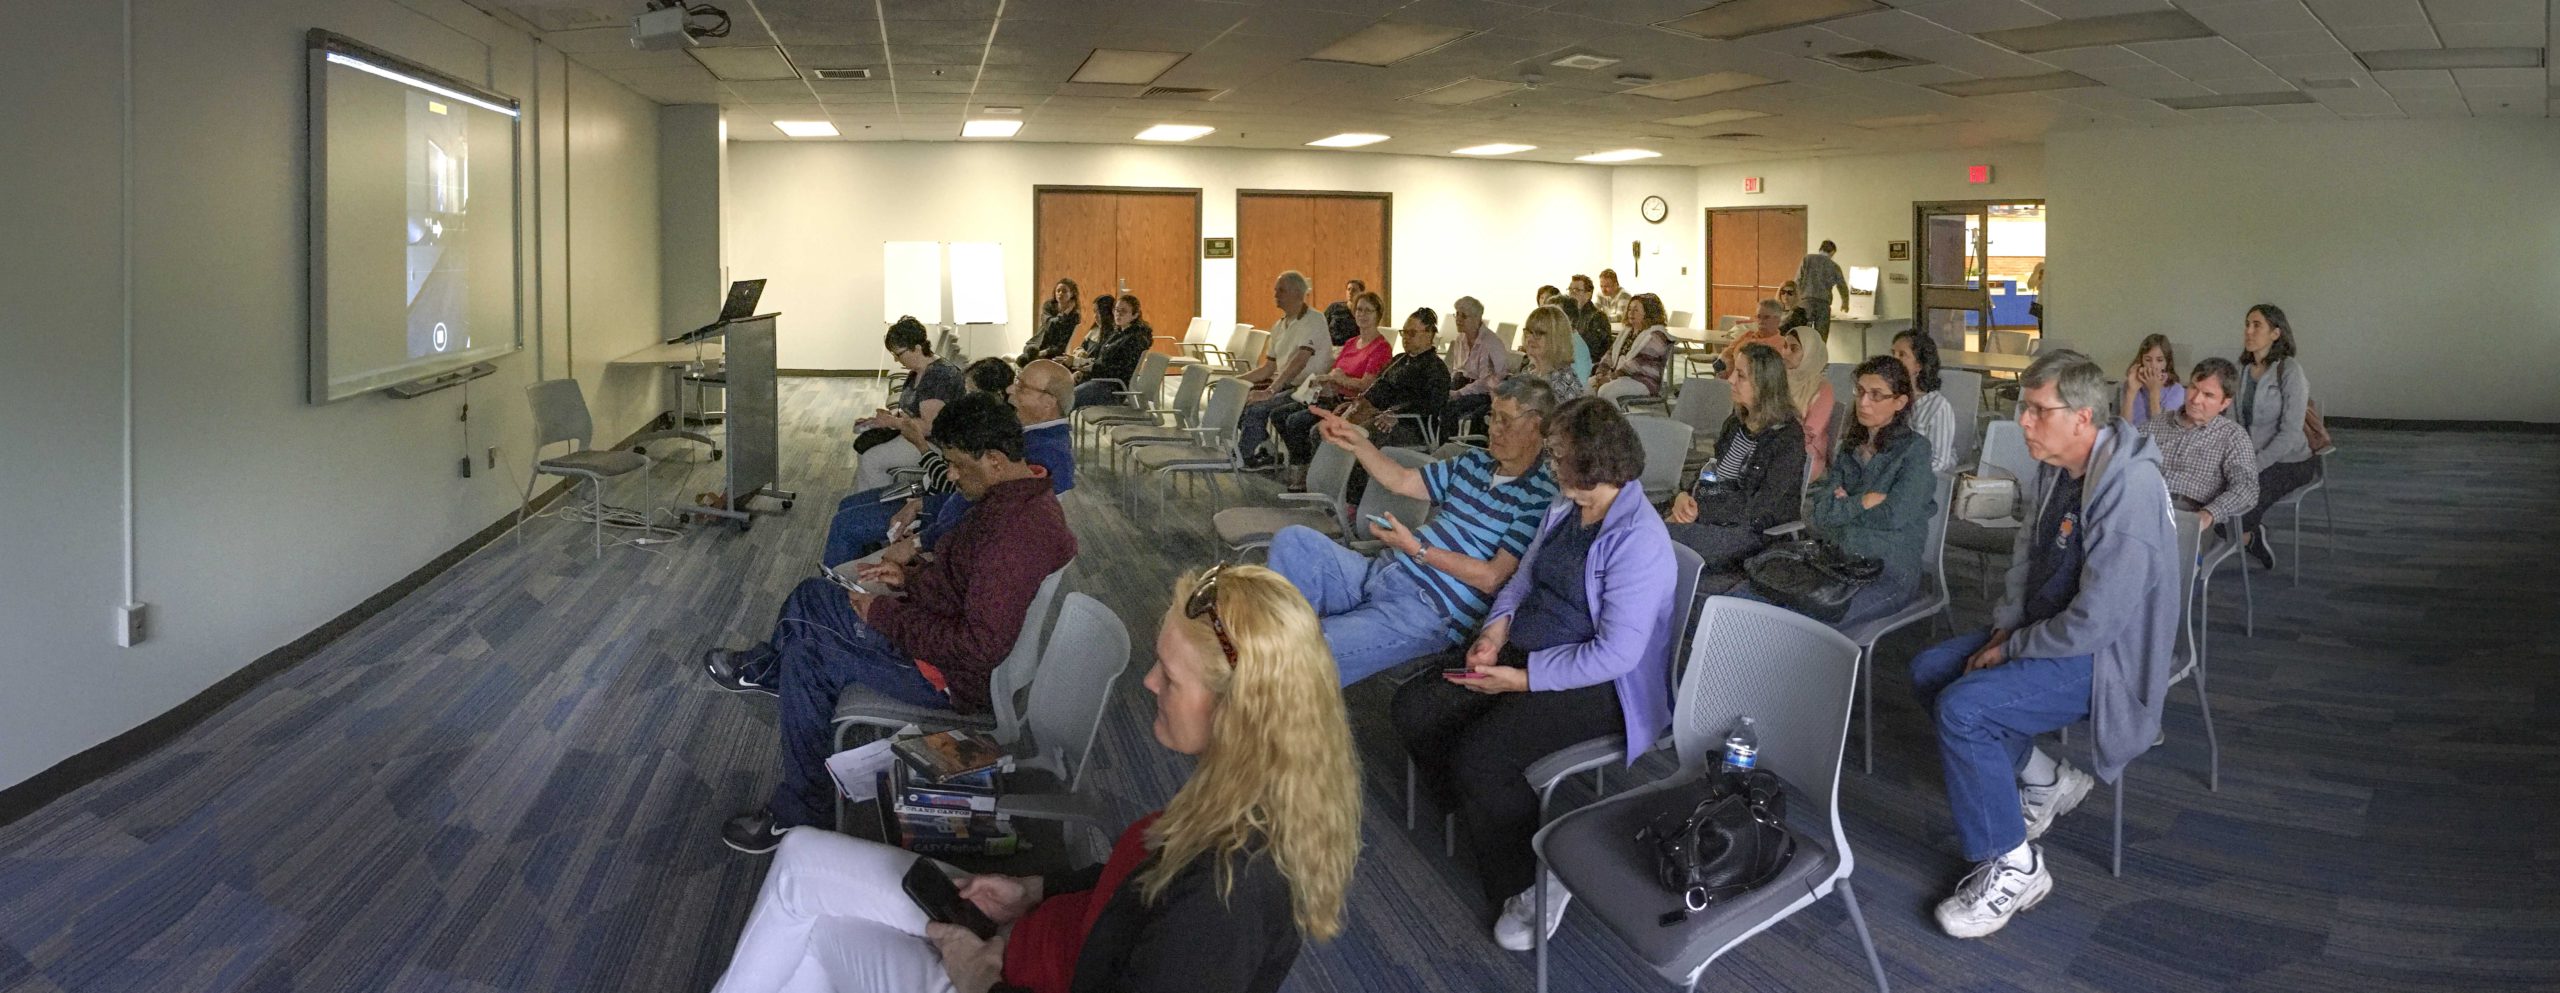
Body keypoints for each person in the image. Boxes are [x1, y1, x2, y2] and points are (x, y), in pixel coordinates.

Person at [707, 565, 1360, 993]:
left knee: (811, 925)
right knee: (801, 877)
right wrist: (1033, 888)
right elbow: (1133, 888)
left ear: (1237, 711)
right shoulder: (1241, 797)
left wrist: (979, 975)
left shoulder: (1227, 896)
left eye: (1171, 675)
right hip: (1034, 935)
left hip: (1008, 974)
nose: (1150, 683)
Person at [703, 394, 1078, 853]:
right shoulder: (1019, 496)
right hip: (934, 634)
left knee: (807, 623)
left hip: (948, 677)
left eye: (959, 466)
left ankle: (792, 759)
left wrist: (884, 612)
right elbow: (966, 587)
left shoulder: (1013, 535)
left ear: (996, 461)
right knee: (809, 629)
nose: (953, 477)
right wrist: (912, 577)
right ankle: (791, 755)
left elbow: (979, 647)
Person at [1909, 349, 2179, 940]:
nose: (2022, 423)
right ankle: (2046, 778)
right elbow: (2026, 558)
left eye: (2036, 411)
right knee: (1931, 669)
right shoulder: (2057, 465)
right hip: (2048, 632)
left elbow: (2098, 624)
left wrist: (2010, 649)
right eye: (2023, 409)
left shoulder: (2129, 486)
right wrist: (2007, 624)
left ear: (2082, 417)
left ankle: (2015, 865)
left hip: (2105, 660)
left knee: (1963, 708)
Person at [1391, 397, 1677, 951]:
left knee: (1483, 758)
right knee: (1416, 707)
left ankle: (1534, 884)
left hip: (1598, 685)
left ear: (1591, 463)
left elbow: (1616, 655)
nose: (1549, 461)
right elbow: (1523, 579)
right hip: (1526, 648)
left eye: (1559, 453)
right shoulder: (1567, 507)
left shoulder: (1638, 539)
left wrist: (1521, 679)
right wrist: (1494, 631)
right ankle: (1481, 812)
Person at [1264, 377, 1560, 685]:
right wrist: (1357, 441)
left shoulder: (1540, 496)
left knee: (1308, 650)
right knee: (1294, 542)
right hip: (1382, 571)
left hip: (1427, 610)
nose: (1493, 427)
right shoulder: (1474, 462)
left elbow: (1492, 577)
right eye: (1492, 416)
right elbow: (1402, 481)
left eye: (1505, 420)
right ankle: (1280, 659)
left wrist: (1418, 550)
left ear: (1535, 425)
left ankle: (1282, 675)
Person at [824, 359, 1076, 567]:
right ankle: (855, 574)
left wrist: (918, 539)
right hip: (936, 507)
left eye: (1022, 386)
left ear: (1048, 401)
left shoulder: (1048, 456)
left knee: (844, 525)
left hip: (940, 524)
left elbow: (978, 511)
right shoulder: (1035, 437)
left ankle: (842, 595)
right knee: (848, 506)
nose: (1012, 390)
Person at [1783, 356, 1938, 626]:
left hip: (1889, 572)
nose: (1863, 403)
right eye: (1861, 392)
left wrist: (1845, 505)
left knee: (1808, 626)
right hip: (1838, 563)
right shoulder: (1850, 446)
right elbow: (1819, 514)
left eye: (1876, 395)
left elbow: (1894, 515)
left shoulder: (1915, 450)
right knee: (1778, 608)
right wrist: (1863, 501)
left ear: (1900, 402)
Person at [1664, 342, 1806, 585]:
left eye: (1740, 375)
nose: (1730, 380)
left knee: (1657, 538)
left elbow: (1760, 507)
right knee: (1643, 521)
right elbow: (1714, 474)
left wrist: (1702, 509)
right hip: (1717, 516)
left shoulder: (1787, 438)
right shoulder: (1736, 423)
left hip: (1755, 534)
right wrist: (1688, 496)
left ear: (1765, 385)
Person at [1257, 292, 1390, 471]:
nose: (1362, 314)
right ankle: (1304, 461)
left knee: (1297, 421)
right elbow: (1335, 372)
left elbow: (1366, 385)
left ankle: (1307, 467)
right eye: (1359, 309)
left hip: (1350, 404)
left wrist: (1340, 380)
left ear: (1378, 315)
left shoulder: (1381, 347)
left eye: (1368, 311)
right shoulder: (1351, 342)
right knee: (1279, 414)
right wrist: (1323, 379)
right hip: (1329, 397)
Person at [2141, 357, 2258, 539]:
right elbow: (2124, 459)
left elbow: (2247, 488)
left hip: (2190, 514)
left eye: (2208, 395)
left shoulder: (2232, 436)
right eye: (2193, 388)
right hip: (2145, 504)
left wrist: (2209, 514)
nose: (2195, 399)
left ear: (2225, 403)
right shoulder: (2158, 423)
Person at [2235, 304, 2313, 568]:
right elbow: (2235, 424)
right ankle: (2249, 537)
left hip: (2290, 462)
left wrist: (2252, 466)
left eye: (2257, 325)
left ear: (2276, 333)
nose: (2248, 331)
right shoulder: (2243, 371)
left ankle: (2248, 534)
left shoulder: (2290, 371)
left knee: (2235, 515)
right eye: (2247, 324)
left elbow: (2290, 434)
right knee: (2214, 504)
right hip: (2251, 460)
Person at [851, 317, 966, 494]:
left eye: (899, 354)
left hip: (935, 446)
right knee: (866, 448)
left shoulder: (937, 376)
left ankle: (876, 506)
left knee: (870, 458)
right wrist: (879, 421)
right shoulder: (921, 370)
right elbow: (913, 413)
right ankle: (867, 502)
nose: (897, 360)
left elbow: (929, 427)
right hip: (915, 435)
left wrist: (891, 422)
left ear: (917, 348)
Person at [1236, 271, 1334, 465]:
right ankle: (1268, 451)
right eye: (1275, 290)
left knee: (1257, 408)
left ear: (1298, 294)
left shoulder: (1314, 319)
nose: (1275, 295)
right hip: (1288, 386)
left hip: (1308, 390)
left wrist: (1271, 390)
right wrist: (1236, 381)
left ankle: (1243, 457)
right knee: (1240, 400)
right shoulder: (1279, 325)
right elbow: (1268, 367)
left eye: (1281, 290)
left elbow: (1300, 360)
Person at [1331, 307, 1450, 453]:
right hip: (1381, 415)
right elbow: (1379, 386)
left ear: (1429, 334)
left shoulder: (1436, 368)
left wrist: (1397, 414)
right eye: (1404, 332)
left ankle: (1352, 475)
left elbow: (1431, 404)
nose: (1406, 337)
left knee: (1356, 437)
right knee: (1323, 430)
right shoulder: (1399, 359)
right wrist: (1357, 403)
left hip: (1410, 425)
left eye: (1412, 333)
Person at [1894, 329, 1960, 473]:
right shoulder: (1891, 398)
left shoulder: (1938, 407)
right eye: (1892, 353)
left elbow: (1939, 462)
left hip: (1923, 480)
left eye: (1902, 355)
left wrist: (1904, 476)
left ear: (1918, 365)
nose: (1894, 360)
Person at [1071, 294, 1153, 410]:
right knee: (1061, 391)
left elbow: (1117, 370)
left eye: (1123, 311)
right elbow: (1102, 361)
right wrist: (1085, 370)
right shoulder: (1118, 333)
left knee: (1068, 398)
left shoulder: (1134, 339)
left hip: (1113, 388)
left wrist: (1090, 369)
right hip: (1102, 381)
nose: (1118, 314)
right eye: (1116, 310)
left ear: (1135, 315)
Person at [1442, 296, 1508, 437]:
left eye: (1463, 316)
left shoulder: (1490, 343)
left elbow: (1487, 382)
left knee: (1451, 409)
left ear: (1477, 319)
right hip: (1464, 384)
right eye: (1457, 314)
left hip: (1485, 392)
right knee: (1438, 400)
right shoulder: (1461, 338)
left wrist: (1459, 393)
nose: (1458, 320)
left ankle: (1450, 446)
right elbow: (1458, 369)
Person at [1780, 323, 1838, 479]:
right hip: (1775, 446)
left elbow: (1811, 431)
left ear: (1810, 353)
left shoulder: (1822, 388)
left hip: (1806, 454)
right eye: (1785, 346)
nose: (1785, 353)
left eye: (1794, 348)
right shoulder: (1778, 381)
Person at [1591, 293, 1671, 403]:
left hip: (1643, 380)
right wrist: (1601, 372)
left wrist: (1610, 377)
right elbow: (1610, 354)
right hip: (1619, 376)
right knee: (1587, 386)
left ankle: (1614, 420)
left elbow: (1638, 364)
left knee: (1605, 391)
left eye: (1636, 310)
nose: (1631, 313)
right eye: (1629, 309)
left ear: (1648, 313)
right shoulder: (1627, 331)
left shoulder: (1656, 335)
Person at [1517, 305, 1588, 404]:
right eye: (1528, 332)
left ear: (1556, 338)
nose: (1530, 338)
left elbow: (1567, 418)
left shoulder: (1564, 380)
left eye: (1538, 333)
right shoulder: (1529, 371)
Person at [2118, 334, 2185, 427]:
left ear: (2167, 362)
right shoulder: (2129, 384)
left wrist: (2154, 391)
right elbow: (2122, 428)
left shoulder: (2176, 390)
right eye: (2148, 360)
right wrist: (2131, 392)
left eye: (2159, 360)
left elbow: (2162, 430)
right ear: (2141, 361)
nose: (2153, 365)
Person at [1017, 278, 1080, 365]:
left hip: (1054, 349)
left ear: (1072, 294)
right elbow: (1049, 324)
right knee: (1031, 351)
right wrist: (1065, 313)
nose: (1060, 293)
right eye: (1058, 291)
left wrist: (1046, 352)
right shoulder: (1049, 305)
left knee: (1026, 360)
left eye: (1064, 291)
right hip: (1037, 343)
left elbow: (1064, 341)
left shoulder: (1074, 316)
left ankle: (1023, 366)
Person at [1795, 239, 1849, 336]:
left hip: (1805, 301)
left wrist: (1795, 300)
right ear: (1832, 252)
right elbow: (1842, 286)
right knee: (1821, 336)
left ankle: (1804, 350)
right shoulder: (1834, 266)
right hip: (1823, 303)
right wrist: (1845, 303)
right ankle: (1820, 351)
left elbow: (1798, 280)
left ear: (1820, 248)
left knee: (1803, 335)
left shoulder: (1807, 259)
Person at [1065, 292, 1119, 373]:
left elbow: (1099, 362)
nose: (1095, 316)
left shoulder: (1113, 335)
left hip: (1090, 371)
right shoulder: (1094, 330)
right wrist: (1080, 352)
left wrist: (1077, 361)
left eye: (1098, 312)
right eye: (1094, 312)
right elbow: (1081, 347)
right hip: (1081, 365)